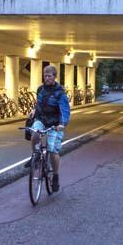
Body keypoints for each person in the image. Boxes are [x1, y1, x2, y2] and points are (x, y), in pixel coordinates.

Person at [26, 64, 70, 192]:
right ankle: (36, 156)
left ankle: (55, 175)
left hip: (55, 124)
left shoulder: (60, 93)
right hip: (41, 120)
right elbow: (39, 104)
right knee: (35, 134)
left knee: (52, 149)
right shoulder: (40, 89)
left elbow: (65, 110)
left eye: (49, 76)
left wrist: (63, 124)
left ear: (54, 77)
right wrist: (34, 111)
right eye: (45, 75)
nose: (47, 78)